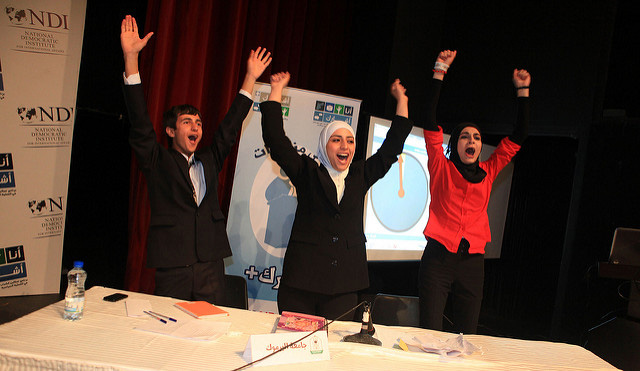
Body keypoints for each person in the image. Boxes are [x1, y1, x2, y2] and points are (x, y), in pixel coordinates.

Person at [119, 15, 271, 302]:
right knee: (169, 334)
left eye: (199, 123)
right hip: (173, 268)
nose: (196, 127)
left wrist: (250, 78)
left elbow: (229, 127)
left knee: (208, 334)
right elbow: (139, 122)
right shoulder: (157, 161)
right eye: (187, 122)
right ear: (170, 130)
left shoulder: (209, 160)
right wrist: (131, 60)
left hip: (210, 269)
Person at [260, 72, 413, 320]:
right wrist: (276, 90)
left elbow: (391, 148)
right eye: (337, 140)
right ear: (323, 145)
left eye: (350, 141)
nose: (345, 146)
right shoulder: (306, 172)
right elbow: (276, 141)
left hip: (343, 287)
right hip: (301, 286)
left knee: (336, 354)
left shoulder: (361, 175)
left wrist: (401, 101)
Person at [418, 50, 530, 334]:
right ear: (454, 144)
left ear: (481, 147)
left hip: (472, 264)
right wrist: (440, 69)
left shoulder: (490, 170)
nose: (472, 141)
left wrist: (523, 92)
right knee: (430, 331)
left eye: (477, 137)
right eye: (465, 136)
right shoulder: (441, 167)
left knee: (467, 335)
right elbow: (429, 119)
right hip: (438, 260)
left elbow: (519, 135)